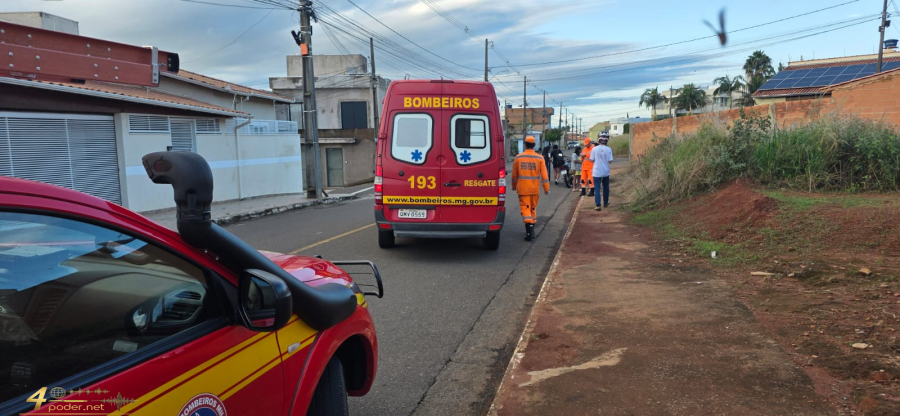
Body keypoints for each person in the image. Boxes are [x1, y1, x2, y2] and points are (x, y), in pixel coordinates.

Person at [512, 136, 550, 241]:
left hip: (523, 189)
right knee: (532, 208)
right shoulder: (539, 158)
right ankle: (531, 230)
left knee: (525, 208)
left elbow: (514, 175)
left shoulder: (518, 158)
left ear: (525, 144)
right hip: (534, 189)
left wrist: (514, 186)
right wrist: (546, 189)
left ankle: (530, 232)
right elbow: (545, 175)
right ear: (534, 145)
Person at [590, 132, 614, 211]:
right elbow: (610, 161)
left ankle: (598, 205)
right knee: (605, 187)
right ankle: (606, 202)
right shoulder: (609, 149)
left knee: (597, 188)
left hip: (596, 171)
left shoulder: (594, 149)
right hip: (605, 171)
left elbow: (591, 160)